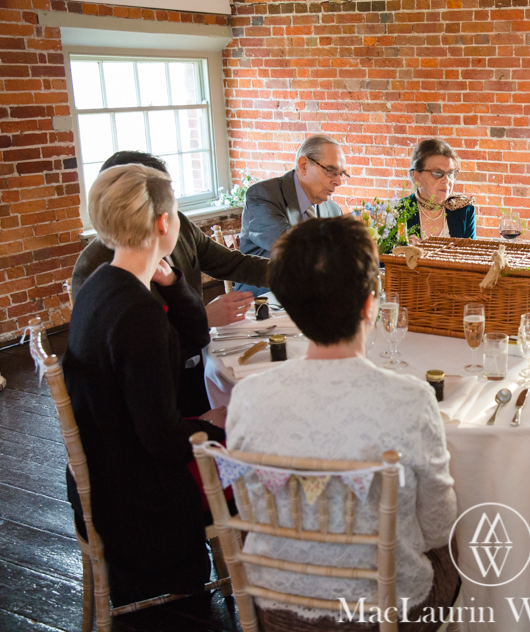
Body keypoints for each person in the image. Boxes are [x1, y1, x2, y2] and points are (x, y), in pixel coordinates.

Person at [226, 216, 459, 631]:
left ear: (290, 308)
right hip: (386, 612)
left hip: (279, 606)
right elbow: (437, 526)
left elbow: (252, 510)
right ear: (371, 303)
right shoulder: (412, 399)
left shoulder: (246, 397)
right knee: (455, 542)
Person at [63, 164, 227, 602]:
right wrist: (213, 425)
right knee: (256, 453)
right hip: (137, 501)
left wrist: (172, 282)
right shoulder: (137, 314)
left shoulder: (103, 282)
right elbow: (162, 439)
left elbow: (193, 337)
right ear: (162, 223)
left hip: (107, 468)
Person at [73, 151, 268, 416]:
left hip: (186, 368)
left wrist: (299, 271)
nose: (175, 210)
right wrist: (205, 317)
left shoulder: (180, 232)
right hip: (154, 400)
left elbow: (233, 264)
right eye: (168, 200)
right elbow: (146, 402)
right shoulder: (98, 273)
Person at [236, 134, 346, 294]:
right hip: (261, 301)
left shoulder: (333, 210)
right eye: (330, 171)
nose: (338, 182)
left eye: (341, 174)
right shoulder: (263, 195)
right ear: (303, 166)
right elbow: (288, 247)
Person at [401, 138, 476, 239]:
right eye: (437, 173)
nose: (446, 180)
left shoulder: (464, 210)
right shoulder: (398, 211)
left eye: (450, 173)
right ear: (416, 177)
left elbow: (471, 253)